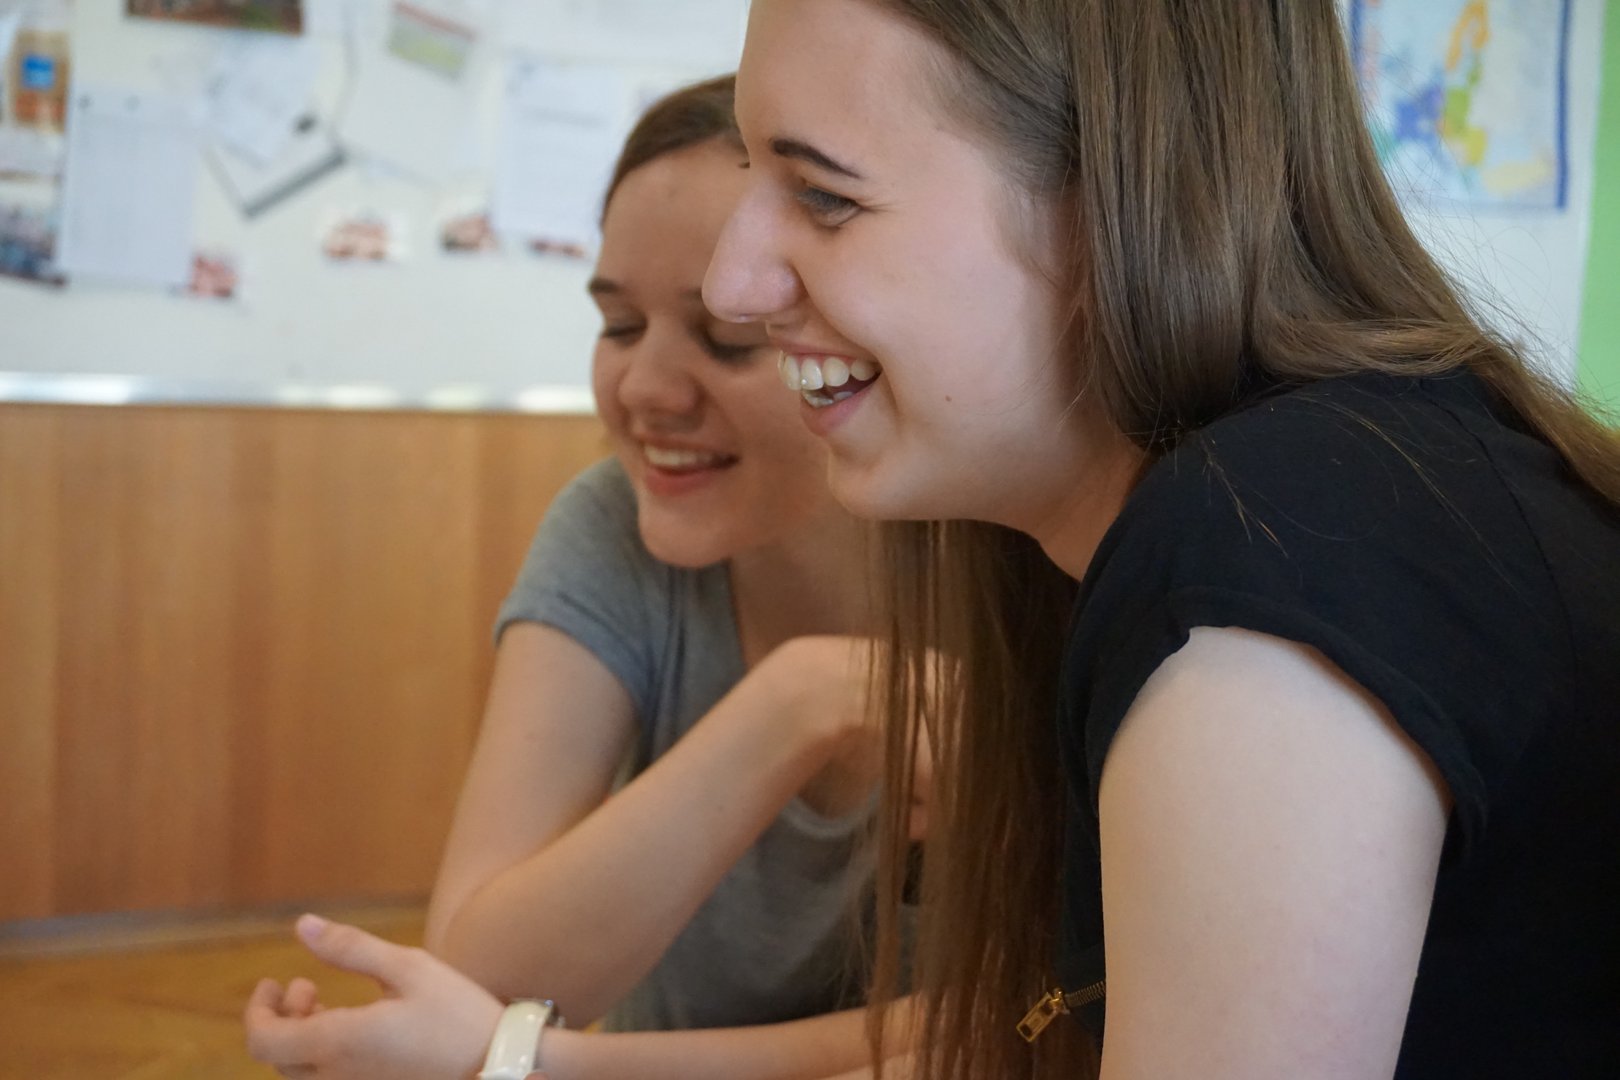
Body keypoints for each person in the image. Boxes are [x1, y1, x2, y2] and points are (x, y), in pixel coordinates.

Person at [695, 2, 1620, 1079]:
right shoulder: (1307, 493)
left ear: (1117, 200)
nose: (730, 283)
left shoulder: (1273, 549)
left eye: (825, 197)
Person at [245, 75, 915, 1080]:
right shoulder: (611, 525)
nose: (644, 388)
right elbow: (486, 968)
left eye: (728, 339)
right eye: (619, 326)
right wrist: (801, 702)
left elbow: (1028, 1024)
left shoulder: (1018, 561)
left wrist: (547, 1062)